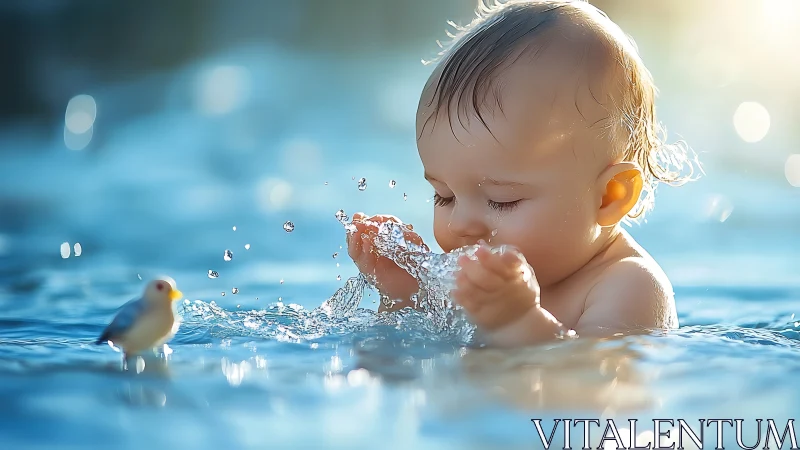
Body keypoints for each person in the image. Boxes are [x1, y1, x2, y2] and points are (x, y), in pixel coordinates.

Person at [346, 0, 699, 347]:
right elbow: (410, 364)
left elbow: (591, 383)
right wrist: (405, 297)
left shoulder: (629, 284)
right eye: (445, 196)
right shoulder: (484, 283)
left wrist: (518, 322)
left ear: (610, 196)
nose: (460, 225)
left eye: (503, 200)